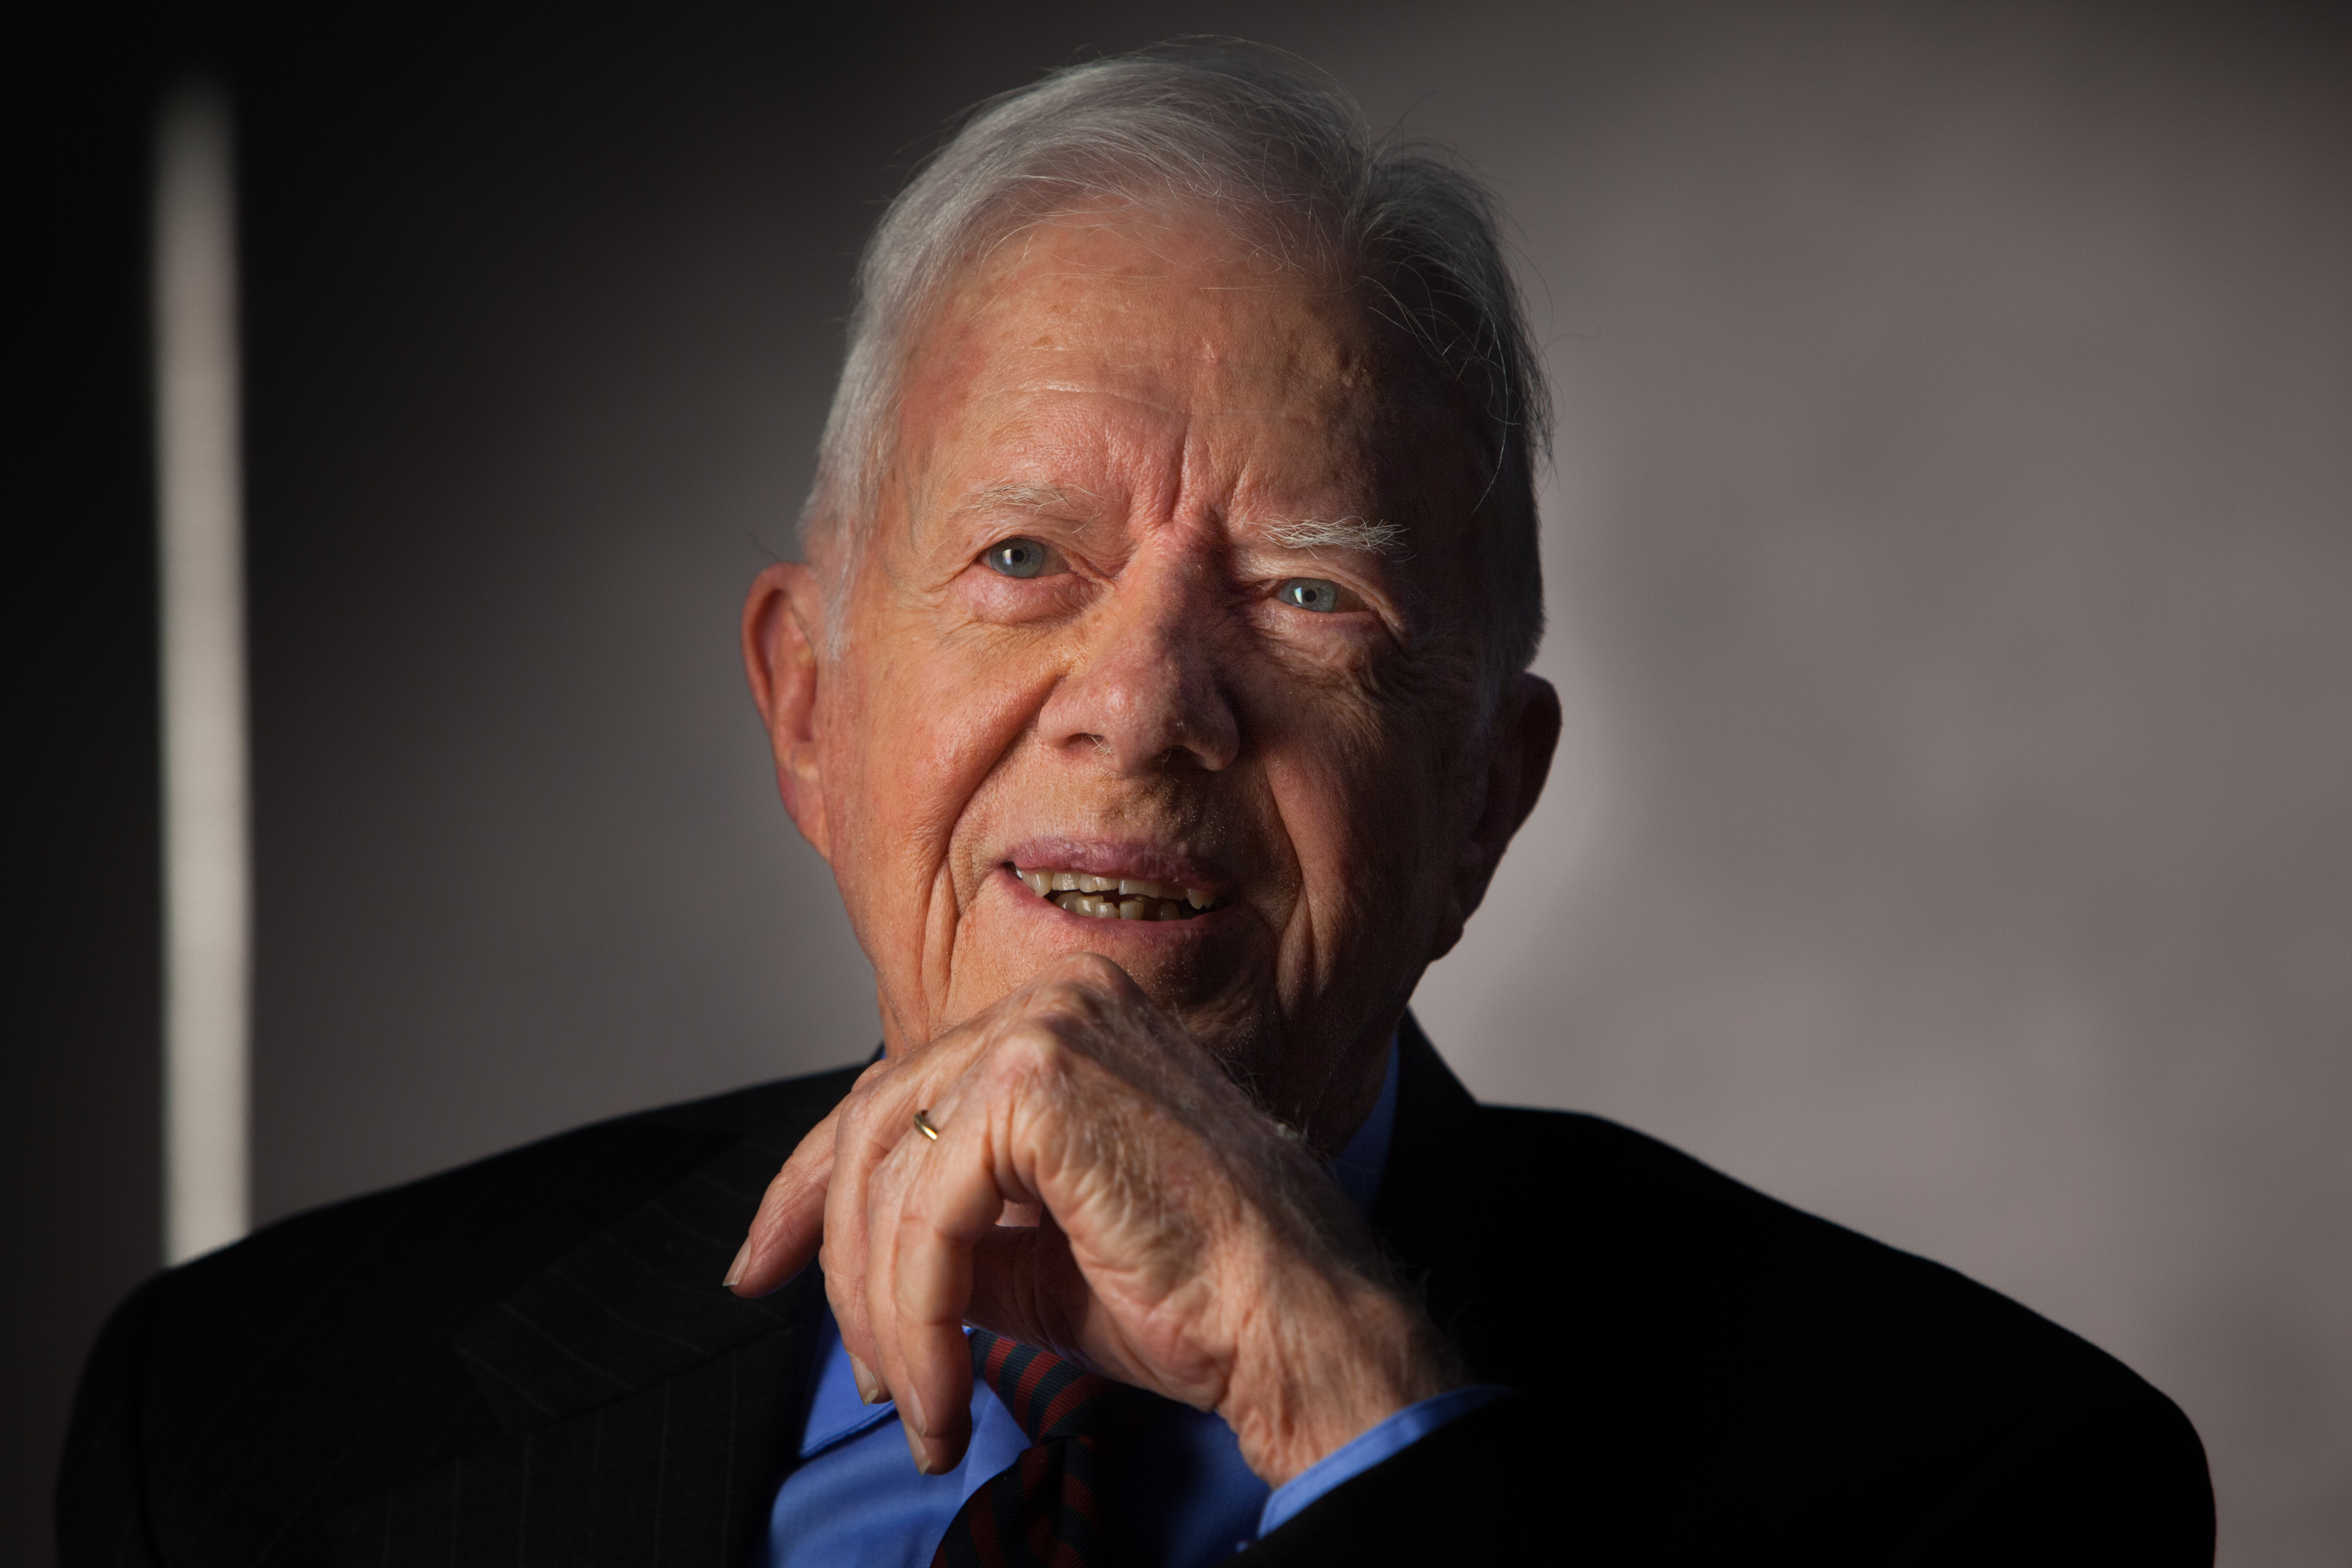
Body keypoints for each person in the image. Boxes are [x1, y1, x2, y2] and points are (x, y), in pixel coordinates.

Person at [59, 42, 2214, 1567]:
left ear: (1485, 803)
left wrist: (1357, 1411)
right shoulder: (248, 1423)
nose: (1148, 705)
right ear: (808, 708)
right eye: (1023, 563)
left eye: (1305, 596)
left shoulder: (1984, 1478)